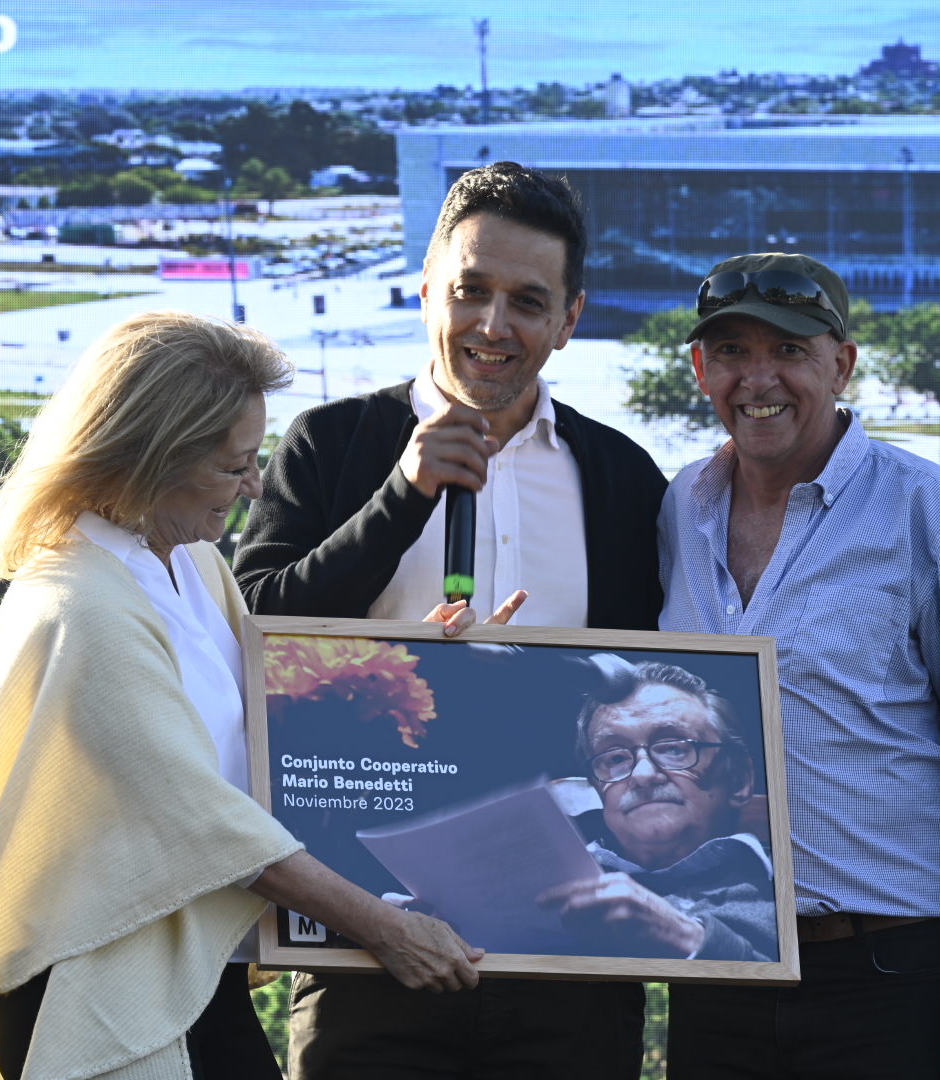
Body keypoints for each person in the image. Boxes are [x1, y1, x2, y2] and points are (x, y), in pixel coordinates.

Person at [0, 312, 484, 1080]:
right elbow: (206, 824)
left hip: (182, 966)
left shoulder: (197, 563)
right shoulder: (80, 605)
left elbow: (274, 709)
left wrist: (421, 657)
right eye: (232, 465)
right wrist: (387, 928)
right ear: (147, 460)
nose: (252, 485)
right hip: (93, 974)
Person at [233, 162, 668, 1080]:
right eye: (470, 290)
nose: (493, 326)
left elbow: (656, 677)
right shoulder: (332, 444)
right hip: (365, 936)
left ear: (570, 319)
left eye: (528, 301)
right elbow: (254, 630)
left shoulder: (622, 476)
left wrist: (551, 680)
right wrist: (404, 495)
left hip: (569, 948)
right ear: (427, 287)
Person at [655, 253, 940, 1080]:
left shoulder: (933, 511)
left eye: (791, 351)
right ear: (702, 369)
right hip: (724, 968)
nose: (758, 377)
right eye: (733, 351)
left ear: (841, 364)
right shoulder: (682, 508)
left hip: (897, 977)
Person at [540, 660, 777, 962]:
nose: (642, 774)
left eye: (674, 748)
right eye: (614, 758)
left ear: (738, 780)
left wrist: (686, 938)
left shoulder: (799, 888)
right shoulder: (547, 890)